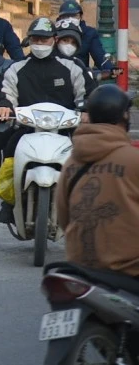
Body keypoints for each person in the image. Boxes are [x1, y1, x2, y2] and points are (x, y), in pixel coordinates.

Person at [0, 17, 87, 223]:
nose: (40, 44)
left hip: (65, 130)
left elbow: (87, 94)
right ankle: (9, 202)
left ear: (54, 39)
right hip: (27, 129)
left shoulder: (73, 68)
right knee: (9, 147)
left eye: (44, 39)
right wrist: (4, 105)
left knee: (86, 154)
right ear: (29, 40)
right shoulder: (17, 68)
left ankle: (82, 201)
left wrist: (86, 109)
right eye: (36, 39)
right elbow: (4, 93)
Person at [56, 84, 139, 276]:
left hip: (80, 268)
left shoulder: (71, 163)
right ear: (124, 117)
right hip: (128, 271)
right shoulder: (133, 159)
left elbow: (63, 217)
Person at [56, 0, 114, 73]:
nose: (70, 19)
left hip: (81, 75)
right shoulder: (54, 32)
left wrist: (111, 70)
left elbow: (99, 56)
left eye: (75, 16)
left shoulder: (89, 33)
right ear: (60, 18)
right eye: (66, 16)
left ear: (80, 16)